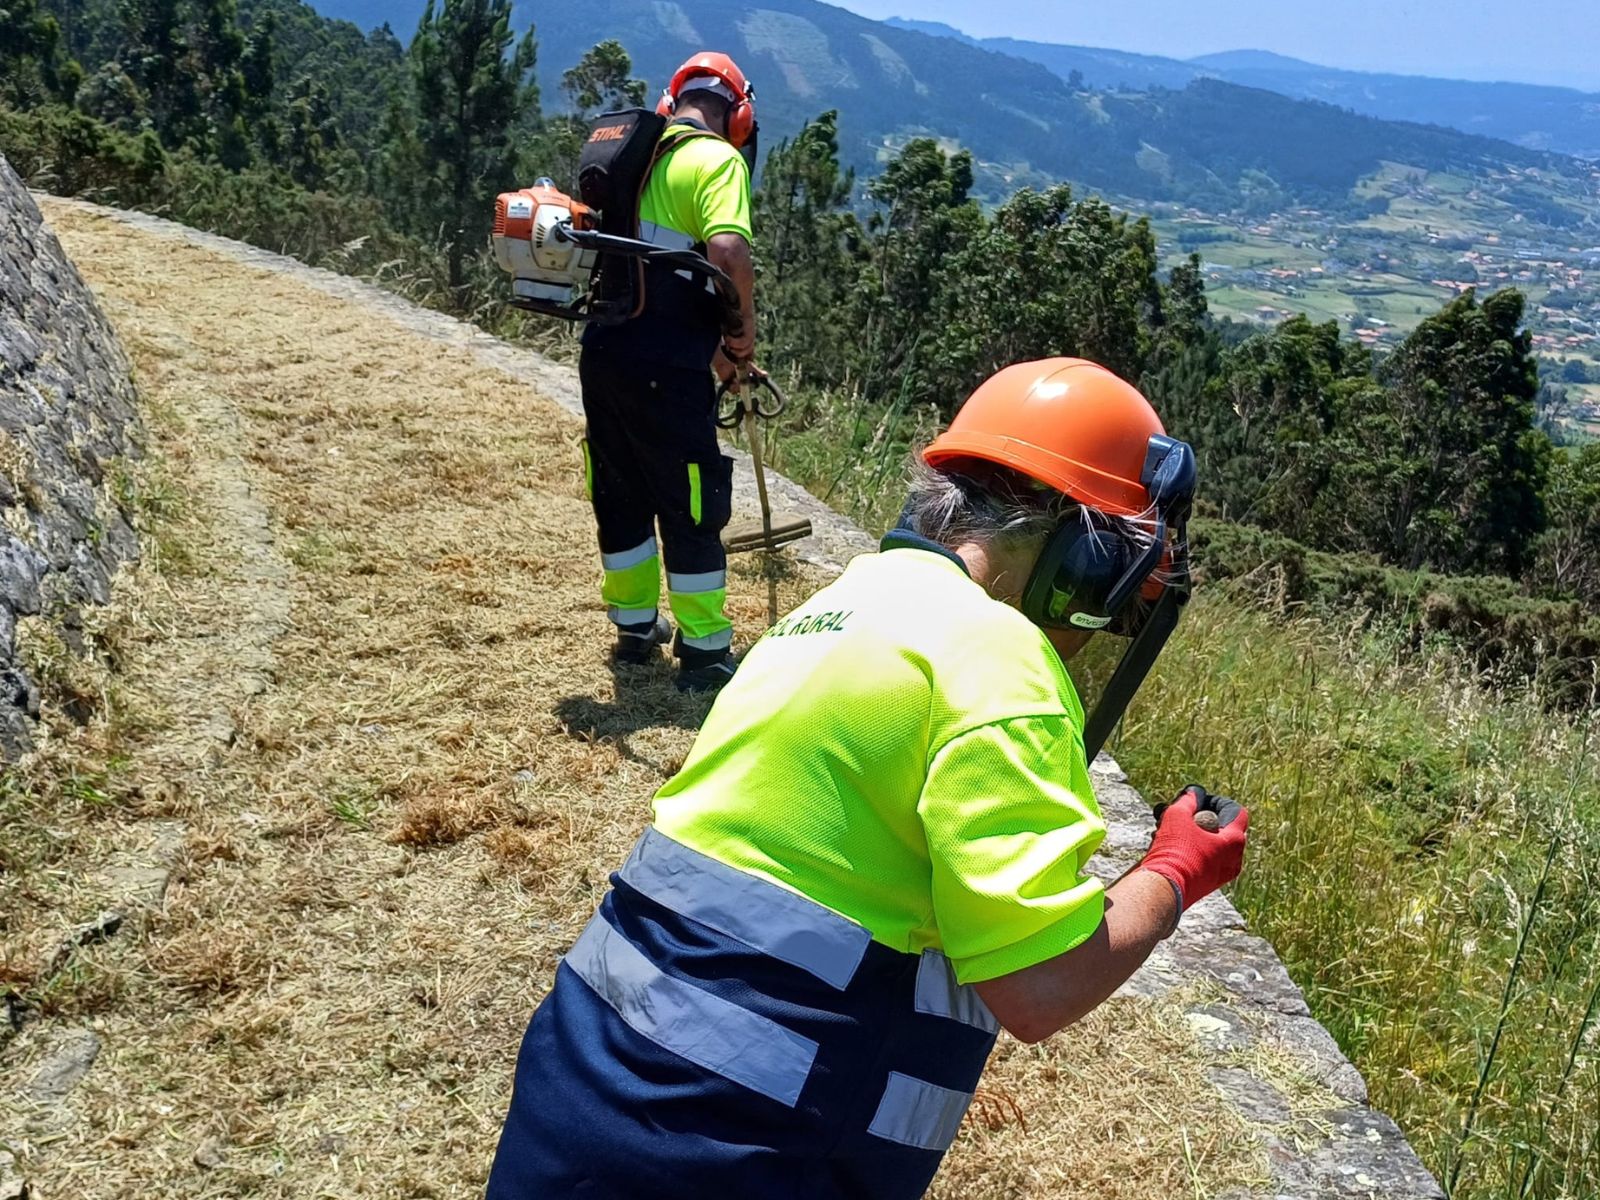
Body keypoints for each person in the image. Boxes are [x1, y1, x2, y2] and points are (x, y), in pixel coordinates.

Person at [487, 358, 1251, 1199]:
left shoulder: (836, 608)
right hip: (735, 1145)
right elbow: (1038, 988)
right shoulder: (998, 658)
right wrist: (1176, 872)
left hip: (579, 1079)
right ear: (1086, 561)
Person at [579, 51, 759, 694]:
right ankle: (707, 651)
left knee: (619, 487)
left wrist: (716, 350)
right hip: (665, 365)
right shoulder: (717, 161)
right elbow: (726, 251)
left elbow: (658, 273)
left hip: (604, 350)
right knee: (691, 499)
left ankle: (633, 629)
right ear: (738, 115)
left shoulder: (634, 160)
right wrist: (742, 333)